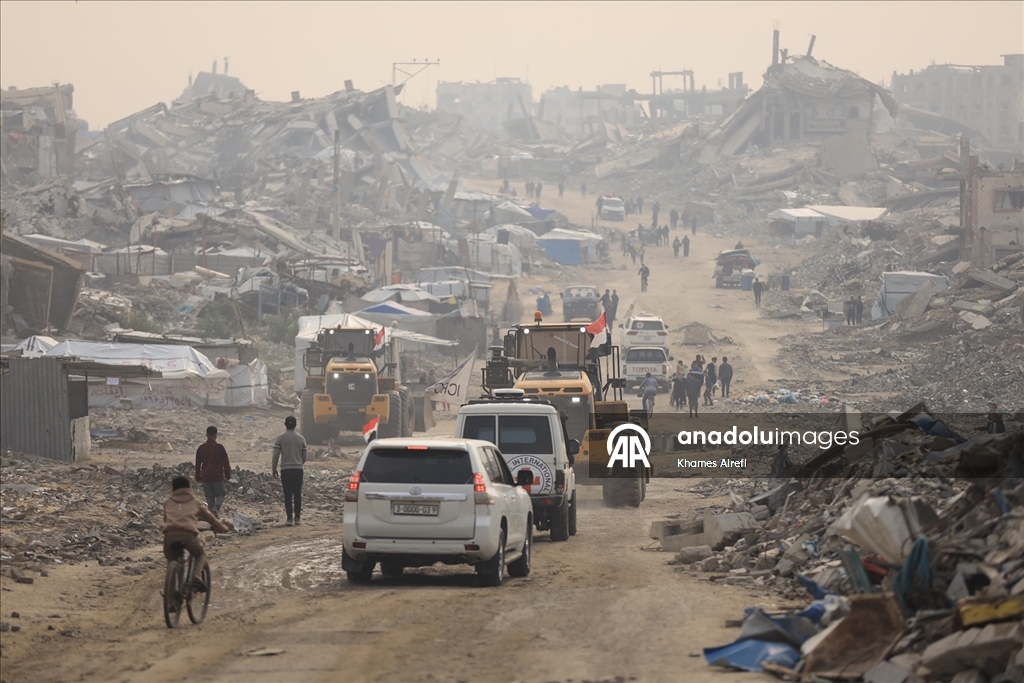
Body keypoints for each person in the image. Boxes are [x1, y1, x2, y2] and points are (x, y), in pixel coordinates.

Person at [163, 476, 232, 590]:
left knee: (172, 560)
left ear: (173, 489)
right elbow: (211, 519)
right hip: (188, 535)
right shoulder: (195, 502)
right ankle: (196, 575)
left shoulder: (167, 502)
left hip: (169, 536)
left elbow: (166, 520)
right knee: (200, 554)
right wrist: (222, 528)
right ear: (189, 488)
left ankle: (170, 599)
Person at [273, 416, 308, 526]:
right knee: (297, 493)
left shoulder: (280, 438)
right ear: (295, 425)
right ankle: (297, 518)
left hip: (285, 470)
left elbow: (275, 455)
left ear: (285, 424)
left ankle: (289, 518)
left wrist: (274, 468)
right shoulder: (301, 438)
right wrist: (299, 463)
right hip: (298, 470)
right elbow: (305, 456)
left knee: (287, 494)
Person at [195, 426, 231, 517]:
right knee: (221, 494)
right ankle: (216, 508)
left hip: (206, 476)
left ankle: (212, 516)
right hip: (217, 476)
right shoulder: (219, 448)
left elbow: (198, 464)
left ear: (206, 435)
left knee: (209, 497)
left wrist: (198, 476)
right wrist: (228, 475)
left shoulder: (201, 448)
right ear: (216, 435)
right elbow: (226, 463)